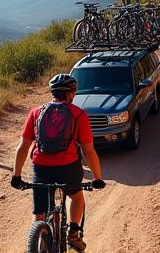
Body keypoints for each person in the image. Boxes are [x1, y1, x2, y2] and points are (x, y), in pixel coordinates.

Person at [11, 74, 104, 252]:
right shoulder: (79, 114)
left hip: (41, 168)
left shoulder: (36, 112)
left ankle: (37, 240)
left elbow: (23, 147)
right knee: (76, 196)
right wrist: (98, 178)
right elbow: (89, 151)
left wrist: (16, 175)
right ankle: (74, 234)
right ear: (71, 94)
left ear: (52, 92)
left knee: (40, 213)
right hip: (68, 168)